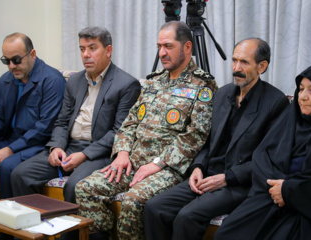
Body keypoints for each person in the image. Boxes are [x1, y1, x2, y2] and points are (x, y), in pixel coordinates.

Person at [73, 21, 218, 240]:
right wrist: (121, 153)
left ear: (187, 47)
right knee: (86, 189)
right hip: (132, 162)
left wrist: (157, 164)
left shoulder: (203, 85)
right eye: (159, 46)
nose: (162, 53)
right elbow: (129, 123)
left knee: (133, 201)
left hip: (169, 168)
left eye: (168, 46)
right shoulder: (153, 82)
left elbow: (195, 136)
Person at [144, 38, 290, 240]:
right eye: (234, 60)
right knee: (154, 207)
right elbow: (208, 141)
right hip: (207, 175)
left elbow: (268, 160)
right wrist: (198, 167)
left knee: (187, 217)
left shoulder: (276, 103)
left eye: (244, 62)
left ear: (262, 67)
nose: (236, 68)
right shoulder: (222, 94)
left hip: (237, 184)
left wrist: (226, 178)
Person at [214, 64, 311, 240]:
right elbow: (262, 156)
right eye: (301, 89)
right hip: (272, 198)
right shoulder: (290, 118)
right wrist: (277, 188)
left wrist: (289, 191)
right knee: (227, 233)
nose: (303, 97)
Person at [11, 27, 141, 203]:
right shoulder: (75, 80)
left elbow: (119, 132)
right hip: (69, 147)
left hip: (97, 152)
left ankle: (70, 231)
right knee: (20, 174)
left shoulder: (126, 84)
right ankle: (34, 228)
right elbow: (62, 121)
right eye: (82, 49)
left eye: (92, 48)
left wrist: (84, 155)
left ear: (108, 50)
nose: (86, 54)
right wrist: (56, 147)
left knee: (74, 186)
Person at [0, 33, 66, 199]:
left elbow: (45, 128)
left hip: (39, 144)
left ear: (32, 54)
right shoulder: (5, 81)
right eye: (6, 61)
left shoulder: (52, 81)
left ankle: (9, 219)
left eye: (17, 60)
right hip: (11, 138)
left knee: (7, 165)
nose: (12, 66)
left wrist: (10, 150)